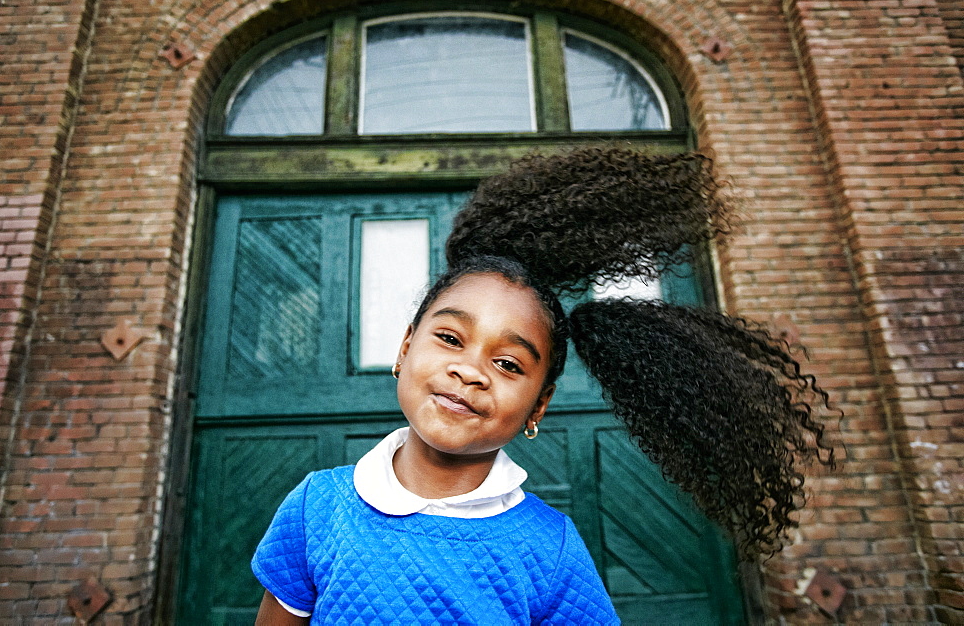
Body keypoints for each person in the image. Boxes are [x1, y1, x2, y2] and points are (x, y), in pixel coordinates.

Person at [251, 147, 837, 625]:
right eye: (451, 340)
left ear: (539, 405)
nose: (471, 370)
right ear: (405, 349)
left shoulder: (548, 548)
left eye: (509, 365)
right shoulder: (318, 505)